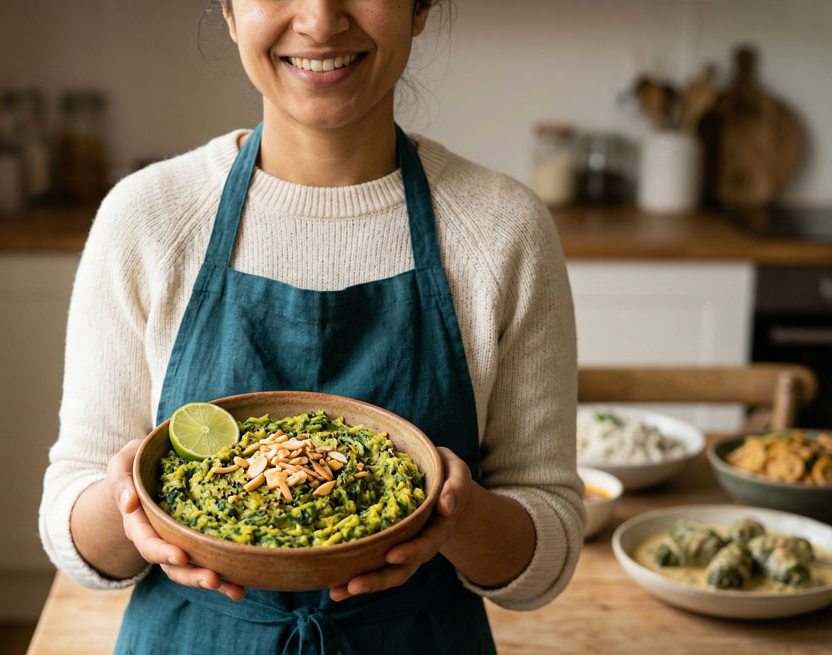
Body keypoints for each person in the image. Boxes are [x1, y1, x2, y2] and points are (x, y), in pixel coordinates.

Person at [38, 1, 583, 653]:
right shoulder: (146, 218)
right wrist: (131, 504)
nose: (321, 21)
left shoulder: (503, 231)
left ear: (419, 8)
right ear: (230, 12)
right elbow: (71, 521)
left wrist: (454, 515)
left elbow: (544, 548)